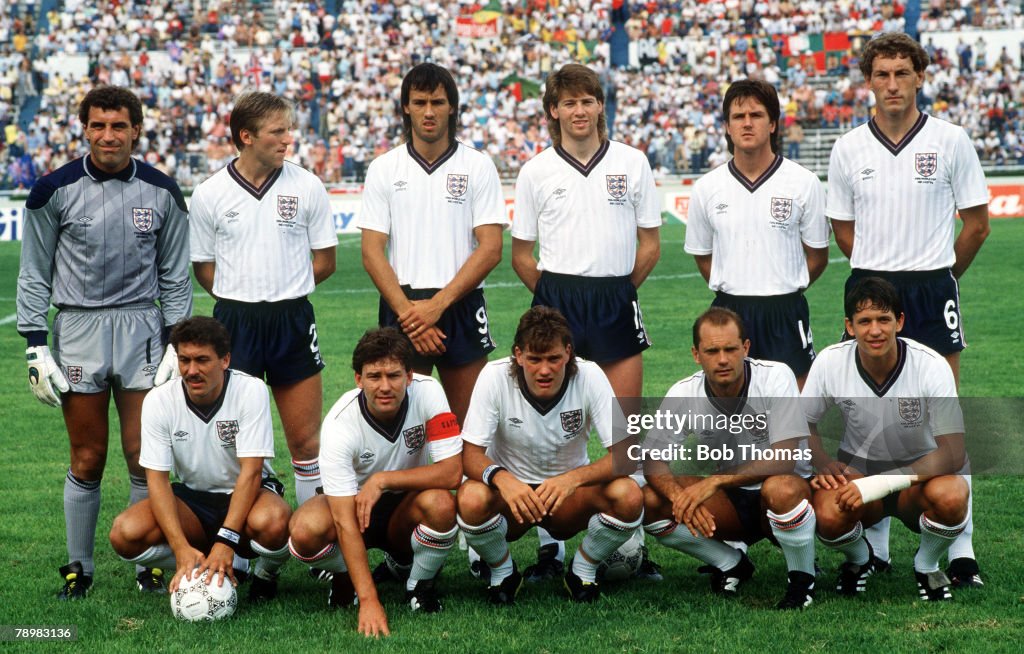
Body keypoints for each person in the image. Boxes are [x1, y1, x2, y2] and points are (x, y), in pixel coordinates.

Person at [16, 85, 192, 599]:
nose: (108, 135)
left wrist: (176, 343)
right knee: (88, 455)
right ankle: (79, 566)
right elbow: (34, 272)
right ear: (84, 128)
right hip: (78, 328)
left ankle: (147, 562)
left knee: (143, 454)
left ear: (136, 129)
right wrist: (34, 343)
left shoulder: (162, 191)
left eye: (119, 126)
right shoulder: (53, 190)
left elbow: (176, 276)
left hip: (141, 327)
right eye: (98, 125)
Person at [827, 32, 987, 585]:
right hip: (873, 289)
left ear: (920, 76)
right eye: (881, 74)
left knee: (943, 419)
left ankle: (961, 545)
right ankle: (879, 542)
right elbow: (843, 228)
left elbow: (977, 223)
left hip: (932, 286)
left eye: (902, 73)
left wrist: (941, 275)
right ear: (868, 81)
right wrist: (878, 281)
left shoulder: (951, 140)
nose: (892, 84)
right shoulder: (848, 148)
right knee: (868, 415)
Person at [189, 91, 338, 513]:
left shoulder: (307, 185)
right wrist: (243, 292)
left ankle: (316, 550)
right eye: (277, 131)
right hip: (234, 324)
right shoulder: (210, 193)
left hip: (292, 319)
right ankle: (244, 550)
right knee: (238, 443)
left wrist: (281, 286)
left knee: (306, 443)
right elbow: (203, 267)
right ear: (247, 136)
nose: (287, 139)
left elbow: (325, 261)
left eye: (288, 130)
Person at [456, 306, 644, 604]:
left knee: (629, 495)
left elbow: (626, 454)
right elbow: (470, 455)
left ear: (568, 352)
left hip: (567, 499)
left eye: (554, 358)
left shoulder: (589, 375)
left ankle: (583, 570)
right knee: (470, 497)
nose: (544, 370)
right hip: (512, 500)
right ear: (518, 354)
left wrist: (571, 479)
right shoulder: (494, 376)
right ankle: (503, 572)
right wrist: (503, 479)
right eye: (534, 359)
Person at [287, 327, 462, 638]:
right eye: (374, 376)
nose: (385, 386)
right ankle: (345, 578)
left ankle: (418, 584)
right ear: (358, 379)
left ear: (410, 376)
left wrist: (382, 480)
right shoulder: (340, 425)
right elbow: (342, 521)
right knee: (305, 529)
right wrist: (369, 601)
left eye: (394, 375)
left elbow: (451, 472)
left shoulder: (429, 391)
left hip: (406, 506)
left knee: (441, 502)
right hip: (355, 509)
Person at [359, 63, 506, 428]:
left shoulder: (477, 165)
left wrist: (436, 307)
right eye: (419, 102)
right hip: (402, 305)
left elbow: (491, 248)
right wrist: (412, 316)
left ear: (452, 107)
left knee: (473, 427)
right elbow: (371, 250)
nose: (428, 111)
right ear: (405, 107)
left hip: (459, 303)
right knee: (400, 428)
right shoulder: (384, 167)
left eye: (437, 102)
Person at [804, 277, 969, 602]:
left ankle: (926, 564)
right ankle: (859, 559)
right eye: (864, 321)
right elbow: (801, 421)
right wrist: (822, 461)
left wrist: (884, 482)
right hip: (858, 473)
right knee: (826, 514)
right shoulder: (830, 362)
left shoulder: (931, 365)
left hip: (917, 477)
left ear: (900, 321)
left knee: (952, 495)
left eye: (884, 319)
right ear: (849, 326)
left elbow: (953, 451)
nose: (875, 330)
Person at [642, 307, 817, 609]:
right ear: (696, 354)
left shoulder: (776, 377)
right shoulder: (684, 392)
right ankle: (730, 562)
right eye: (712, 351)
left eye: (730, 349)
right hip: (731, 504)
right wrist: (679, 497)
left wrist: (715, 480)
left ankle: (802, 579)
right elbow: (653, 459)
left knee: (781, 488)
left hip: (783, 498)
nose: (722, 359)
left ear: (745, 348)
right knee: (652, 501)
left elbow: (785, 458)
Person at [108, 317, 292, 600]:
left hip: (248, 494)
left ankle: (265, 573)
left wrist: (227, 539)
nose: (191, 370)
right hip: (193, 501)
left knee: (275, 522)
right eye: (185, 360)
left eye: (202, 360)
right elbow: (157, 481)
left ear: (225, 360)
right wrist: (180, 546)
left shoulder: (250, 390)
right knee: (125, 532)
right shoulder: (159, 401)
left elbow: (252, 472)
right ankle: (199, 562)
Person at [511, 63, 661, 401]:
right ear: (553, 110)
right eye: (569, 103)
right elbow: (520, 255)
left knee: (625, 421)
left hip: (616, 298)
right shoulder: (535, 171)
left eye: (587, 101)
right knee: (552, 421)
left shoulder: (632, 162)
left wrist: (620, 288)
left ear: (599, 106)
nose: (579, 111)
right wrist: (554, 292)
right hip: (557, 301)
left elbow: (651, 244)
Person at [685, 79, 829, 388]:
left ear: (773, 123)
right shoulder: (707, 188)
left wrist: (785, 285)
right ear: (726, 126)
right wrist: (737, 285)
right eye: (738, 117)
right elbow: (702, 255)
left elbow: (817, 256)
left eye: (756, 115)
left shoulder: (803, 183)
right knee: (729, 408)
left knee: (796, 413)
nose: (747, 123)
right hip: (729, 310)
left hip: (785, 310)